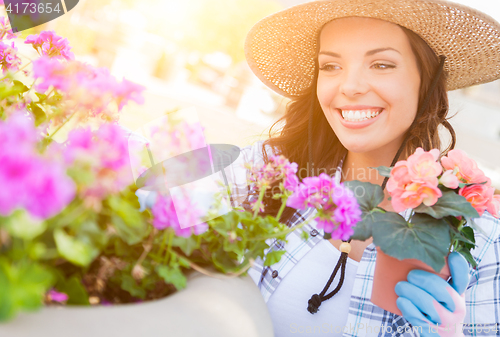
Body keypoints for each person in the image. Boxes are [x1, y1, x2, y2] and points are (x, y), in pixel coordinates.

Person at [224, 0, 500, 336]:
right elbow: (154, 189)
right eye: (330, 66)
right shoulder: (269, 171)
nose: (350, 86)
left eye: (382, 65)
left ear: (427, 80)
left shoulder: (482, 239)